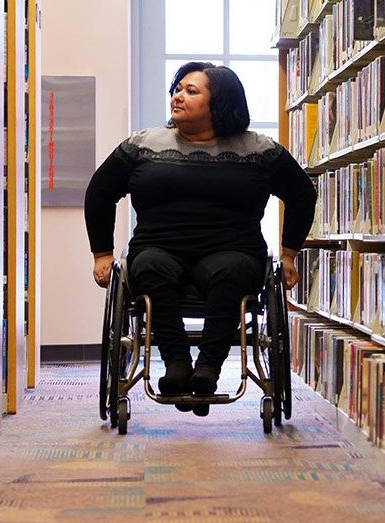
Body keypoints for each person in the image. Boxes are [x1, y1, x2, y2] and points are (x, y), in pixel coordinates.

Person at [84, 62, 316, 416]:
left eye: (191, 91)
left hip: (232, 250)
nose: (178, 95)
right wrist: (102, 254)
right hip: (158, 249)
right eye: (177, 88)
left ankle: (208, 367)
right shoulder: (143, 144)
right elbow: (99, 192)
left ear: (220, 104)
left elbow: (302, 194)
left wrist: (288, 254)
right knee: (149, 266)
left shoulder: (257, 149)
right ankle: (176, 363)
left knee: (233, 270)